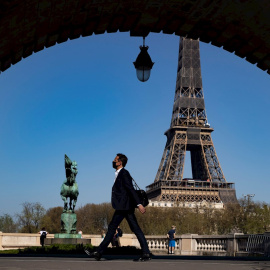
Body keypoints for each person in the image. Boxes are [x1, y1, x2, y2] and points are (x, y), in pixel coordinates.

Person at [85, 153, 152, 261]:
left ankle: (99, 252)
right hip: (123, 206)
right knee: (133, 229)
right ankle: (146, 253)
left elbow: (130, 189)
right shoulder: (119, 173)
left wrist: (139, 204)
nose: (113, 161)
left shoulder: (124, 173)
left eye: (115, 160)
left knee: (113, 228)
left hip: (124, 206)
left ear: (120, 162)